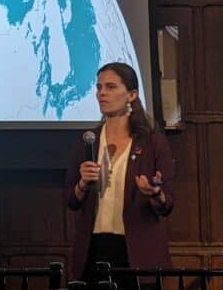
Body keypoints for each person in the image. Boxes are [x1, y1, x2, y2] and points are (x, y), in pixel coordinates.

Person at [65, 62, 175, 289]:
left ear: (131, 95)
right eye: (99, 87)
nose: (101, 93)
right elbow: (71, 200)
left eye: (111, 87)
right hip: (94, 249)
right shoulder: (88, 141)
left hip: (137, 249)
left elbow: (167, 204)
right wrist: (83, 184)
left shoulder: (153, 142)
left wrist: (155, 193)